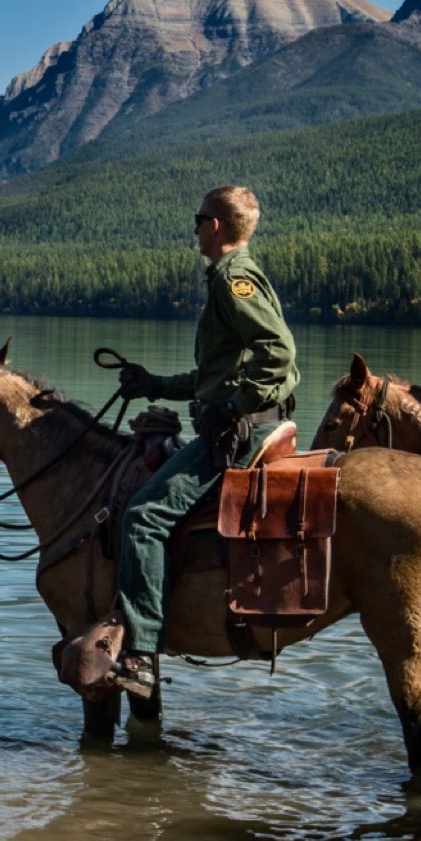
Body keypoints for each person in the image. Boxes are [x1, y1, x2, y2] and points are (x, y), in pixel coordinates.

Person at [108, 185, 298, 699]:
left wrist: (235, 411)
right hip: (245, 420)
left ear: (215, 226)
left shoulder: (232, 279)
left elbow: (277, 352)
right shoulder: (234, 277)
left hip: (242, 433)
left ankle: (141, 652)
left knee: (143, 516)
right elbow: (221, 375)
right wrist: (156, 386)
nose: (193, 229)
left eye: (198, 220)